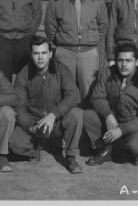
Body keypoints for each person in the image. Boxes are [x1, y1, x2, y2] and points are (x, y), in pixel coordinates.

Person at [10, 36, 84, 174]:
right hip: (35, 123)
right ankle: (35, 149)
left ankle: (70, 156)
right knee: (13, 143)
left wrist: (53, 115)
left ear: (50, 54)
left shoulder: (61, 70)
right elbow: (19, 107)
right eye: (36, 53)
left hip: (55, 122)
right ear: (31, 55)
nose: (40, 57)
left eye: (44, 53)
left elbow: (73, 96)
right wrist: (30, 126)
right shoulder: (23, 74)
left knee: (76, 114)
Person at [84, 43, 138, 167]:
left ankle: (136, 152)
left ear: (136, 62)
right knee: (88, 116)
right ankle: (104, 148)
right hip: (112, 120)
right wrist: (107, 114)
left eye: (128, 61)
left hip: (133, 124)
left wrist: (122, 130)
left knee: (135, 147)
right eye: (120, 60)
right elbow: (96, 97)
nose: (124, 64)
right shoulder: (107, 74)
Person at [45, 0, 108, 103]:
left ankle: (88, 122)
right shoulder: (55, 1)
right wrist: (64, 44)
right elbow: (50, 29)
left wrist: (90, 42)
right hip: (65, 53)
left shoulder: (97, 0)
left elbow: (103, 26)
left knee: (90, 92)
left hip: (89, 53)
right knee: (65, 92)